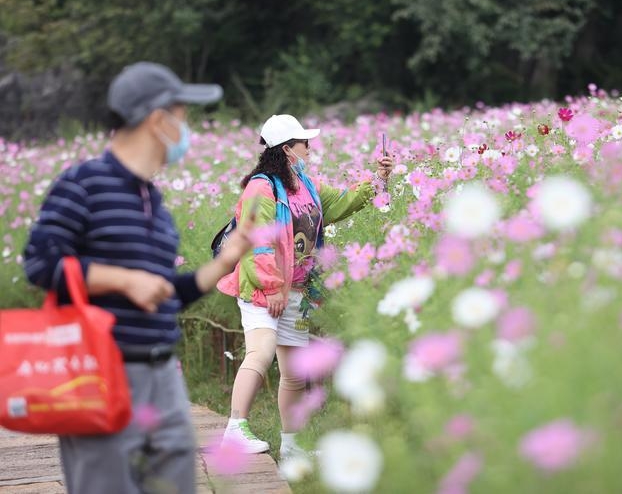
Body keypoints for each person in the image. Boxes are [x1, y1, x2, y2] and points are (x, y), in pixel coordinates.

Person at [23, 62, 254, 494]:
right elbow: (39, 261)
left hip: (162, 373)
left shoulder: (153, 200)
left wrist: (226, 262)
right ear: (158, 120)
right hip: (100, 373)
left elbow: (161, 297)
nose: (188, 130)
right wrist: (122, 279)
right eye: (183, 117)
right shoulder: (83, 184)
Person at [217, 114, 394, 457]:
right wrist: (271, 289)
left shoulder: (305, 186)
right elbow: (256, 242)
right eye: (304, 143)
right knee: (261, 351)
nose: (310, 148)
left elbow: (342, 201)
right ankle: (234, 429)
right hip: (262, 290)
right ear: (286, 150)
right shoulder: (260, 188)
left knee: (294, 372)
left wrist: (379, 179)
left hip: (296, 291)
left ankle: (292, 447)